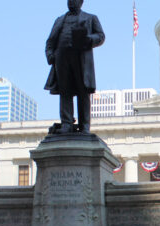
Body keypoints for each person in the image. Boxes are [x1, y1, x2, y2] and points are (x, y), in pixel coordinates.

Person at [45, 0, 105, 134]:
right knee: (65, 91)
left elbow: (100, 36)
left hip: (81, 58)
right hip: (62, 58)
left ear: (81, 2)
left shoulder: (90, 18)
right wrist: (50, 55)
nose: (71, 2)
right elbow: (50, 41)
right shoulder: (60, 20)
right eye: (69, 0)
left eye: (74, 0)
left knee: (82, 92)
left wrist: (88, 39)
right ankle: (66, 123)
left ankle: (84, 126)